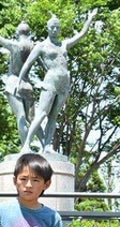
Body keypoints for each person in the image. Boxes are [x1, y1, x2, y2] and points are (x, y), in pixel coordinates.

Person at [18, 9, 97, 153]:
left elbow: (82, 34)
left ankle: (47, 146)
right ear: (47, 28)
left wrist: (90, 19)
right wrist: (20, 81)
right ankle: (26, 145)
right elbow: (28, 64)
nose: (55, 30)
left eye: (57, 27)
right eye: (52, 27)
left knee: (53, 116)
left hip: (64, 82)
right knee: (42, 113)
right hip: (51, 80)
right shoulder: (41, 46)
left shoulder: (64, 44)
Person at [0, 7, 36, 146]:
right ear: (29, 33)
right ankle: (44, 145)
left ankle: (25, 147)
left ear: (17, 33)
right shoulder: (34, 47)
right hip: (27, 84)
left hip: (14, 84)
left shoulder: (14, 45)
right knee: (32, 119)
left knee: (21, 117)